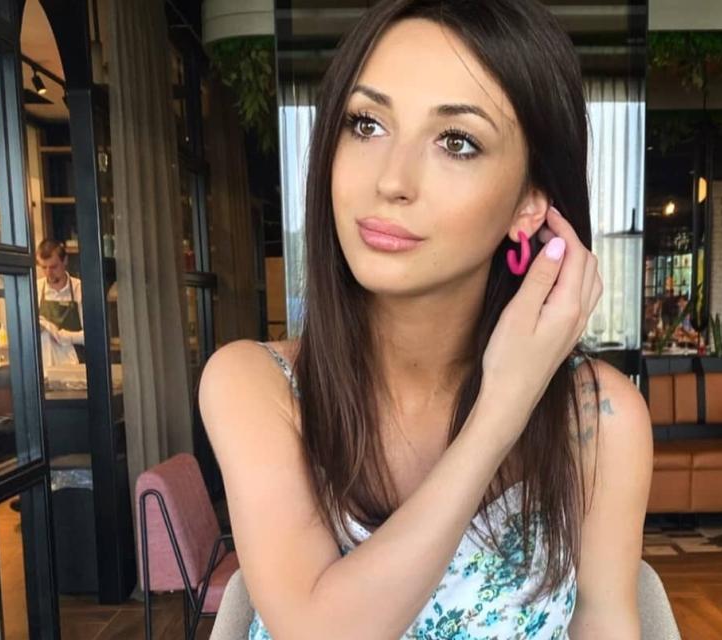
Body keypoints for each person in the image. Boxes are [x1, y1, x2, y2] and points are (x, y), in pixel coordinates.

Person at [199, 1, 652, 638]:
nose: (392, 180)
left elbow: (606, 624)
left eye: (457, 141)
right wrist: (502, 408)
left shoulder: (598, 421)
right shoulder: (256, 386)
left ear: (530, 205)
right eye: (366, 124)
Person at [36, 239, 85, 367]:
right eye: (44, 267)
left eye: (53, 267)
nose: (48, 273)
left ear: (65, 261)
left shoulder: (80, 289)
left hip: (77, 366)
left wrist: (61, 336)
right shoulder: (35, 289)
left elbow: (92, 335)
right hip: (45, 367)